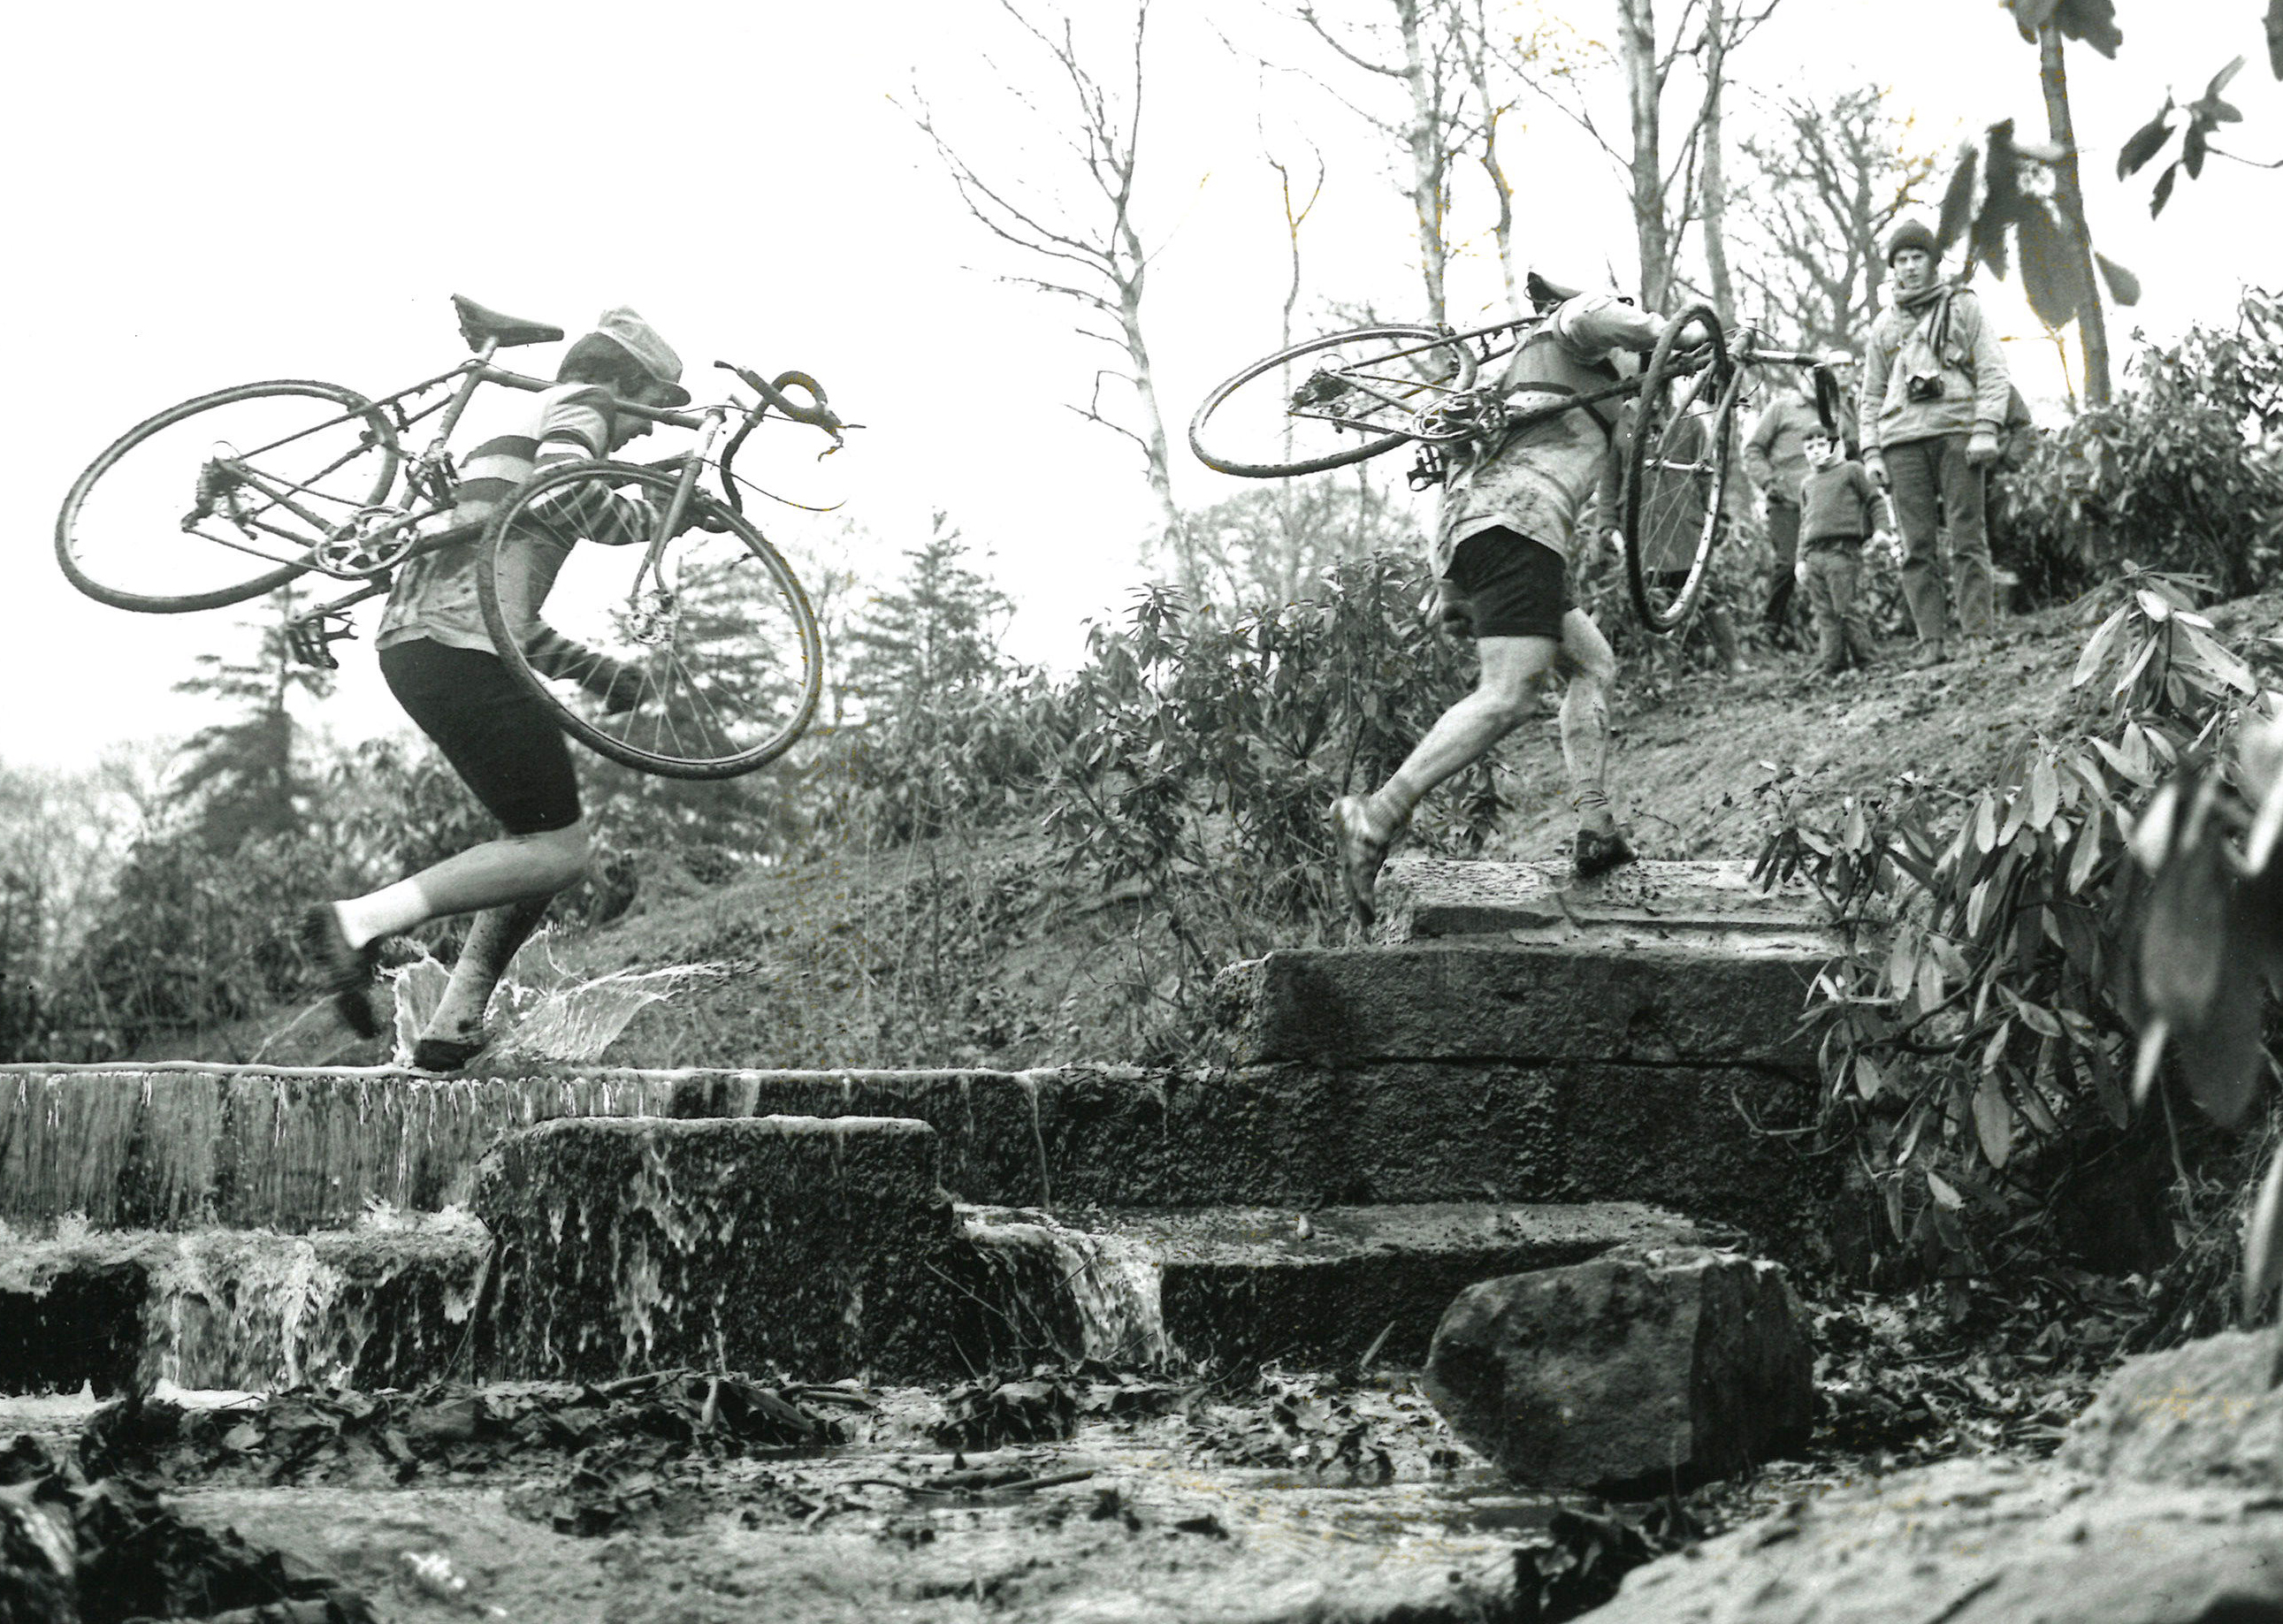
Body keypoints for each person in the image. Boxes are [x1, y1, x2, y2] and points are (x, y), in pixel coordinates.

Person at [299, 307, 691, 1070]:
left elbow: (506, 605)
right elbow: (563, 498)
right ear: (621, 378)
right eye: (651, 406)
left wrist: (592, 669)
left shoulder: (507, 439)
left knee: (541, 839)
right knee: (560, 851)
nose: (646, 431)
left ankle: (453, 1025)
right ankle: (358, 922)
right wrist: (663, 520)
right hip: (455, 647)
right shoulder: (585, 405)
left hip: (423, 646)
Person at [1329, 273, 1668, 929]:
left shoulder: (1564, 388)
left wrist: (1448, 582)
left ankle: (1597, 830)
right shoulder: (1575, 323)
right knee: (1510, 692)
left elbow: (1470, 470)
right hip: (1518, 523)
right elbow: (1614, 317)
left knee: (1592, 664)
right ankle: (1375, 816)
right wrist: (1672, 328)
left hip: (1498, 528)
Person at [1859, 220, 2012, 667]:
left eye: (1917, 258)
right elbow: (1869, 394)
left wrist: (1986, 427)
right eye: (1901, 260)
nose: (1909, 268)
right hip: (1901, 440)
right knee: (1916, 545)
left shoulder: (1963, 307)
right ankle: (1931, 641)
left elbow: (1992, 370)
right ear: (1892, 268)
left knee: (1968, 536)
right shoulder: (1884, 325)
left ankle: (1978, 633)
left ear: (1933, 261)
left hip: (1956, 432)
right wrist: (1870, 452)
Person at [1792, 429, 1881, 675]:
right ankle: (1833, 663)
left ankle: (1868, 661)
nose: (1816, 451)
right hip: (1814, 556)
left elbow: (1874, 500)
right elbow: (1804, 523)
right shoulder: (1807, 483)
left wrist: (1882, 530)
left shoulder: (1851, 470)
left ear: (1835, 445)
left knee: (1846, 608)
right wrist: (1800, 559)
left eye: (1821, 444)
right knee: (1824, 613)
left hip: (1842, 552)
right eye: (1810, 447)